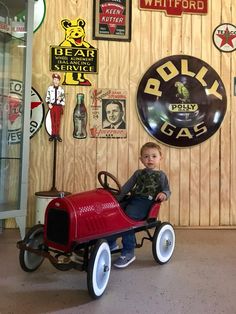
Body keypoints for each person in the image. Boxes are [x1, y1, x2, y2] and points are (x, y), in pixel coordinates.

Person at [109, 142, 171, 269]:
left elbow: (167, 190)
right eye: (146, 156)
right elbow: (125, 189)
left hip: (147, 203)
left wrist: (164, 194)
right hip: (134, 199)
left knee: (127, 219)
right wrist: (115, 201)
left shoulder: (161, 176)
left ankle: (128, 251)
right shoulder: (138, 173)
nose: (150, 159)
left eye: (154, 156)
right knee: (112, 212)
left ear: (160, 158)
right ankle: (111, 242)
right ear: (141, 159)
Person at [45, 73, 65, 142]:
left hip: (58, 107)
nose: (56, 81)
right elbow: (48, 97)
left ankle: (57, 134)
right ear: (53, 80)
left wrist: (60, 99)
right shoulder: (50, 89)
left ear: (59, 81)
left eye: (57, 80)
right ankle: (53, 134)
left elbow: (63, 99)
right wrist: (48, 103)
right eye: (55, 79)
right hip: (52, 106)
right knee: (52, 120)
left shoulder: (61, 90)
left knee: (57, 121)